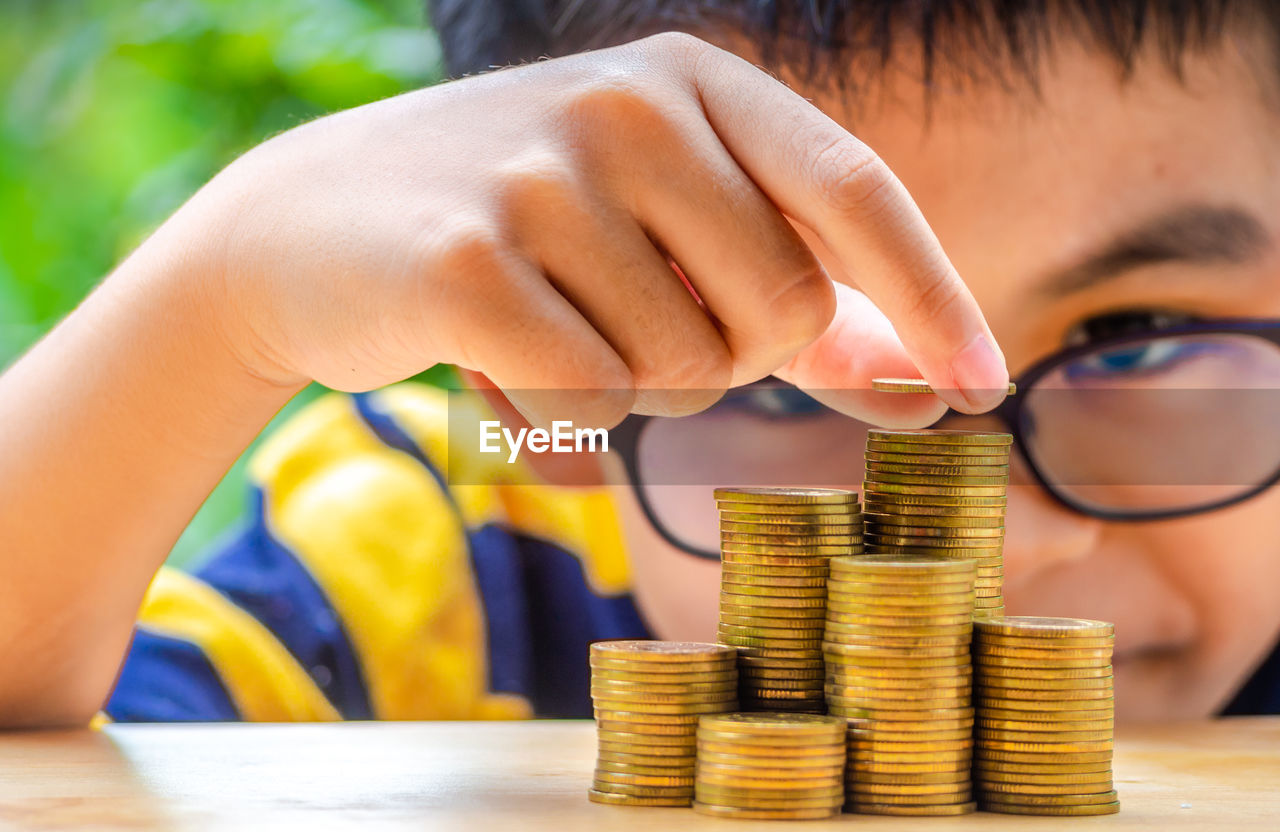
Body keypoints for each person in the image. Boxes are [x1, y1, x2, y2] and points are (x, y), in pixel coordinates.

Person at [1, 0, 1277, 729]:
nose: (998, 546)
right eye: (774, 366)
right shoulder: (424, 542)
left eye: (1140, 342)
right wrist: (220, 292)